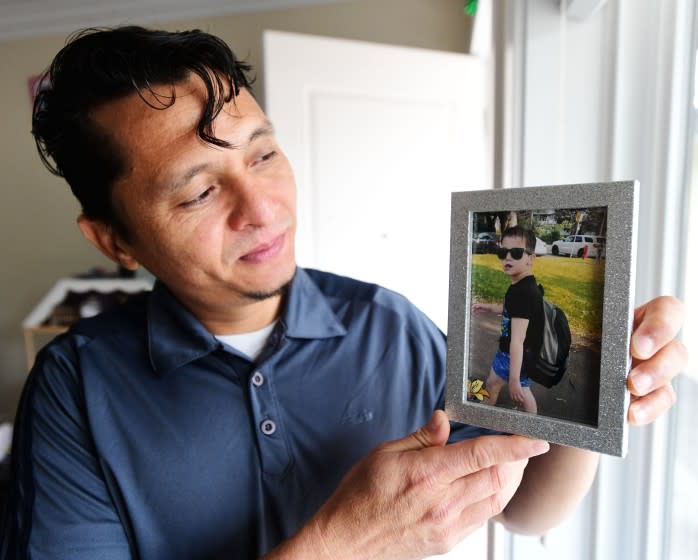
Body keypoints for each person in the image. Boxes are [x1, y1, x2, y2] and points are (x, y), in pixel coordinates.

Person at [0, 26, 687, 560]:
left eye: (263, 155)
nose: (263, 209)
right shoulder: (75, 390)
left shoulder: (391, 325)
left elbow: (525, 505)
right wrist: (341, 544)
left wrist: (590, 396)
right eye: (201, 190)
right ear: (114, 240)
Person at [473, 226, 542, 413]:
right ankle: (531, 422)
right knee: (512, 388)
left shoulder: (522, 292)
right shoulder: (522, 285)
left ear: (531, 259)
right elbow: (511, 310)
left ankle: (484, 417)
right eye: (503, 252)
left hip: (512, 355)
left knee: (502, 385)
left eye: (517, 253)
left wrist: (513, 380)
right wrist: (489, 307)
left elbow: (518, 340)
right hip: (520, 354)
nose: (508, 257)